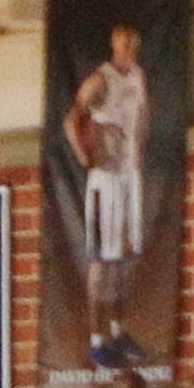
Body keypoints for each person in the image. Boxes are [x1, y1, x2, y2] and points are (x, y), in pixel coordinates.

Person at [67, 19, 154, 365]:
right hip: (106, 180)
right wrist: (87, 157)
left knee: (123, 261)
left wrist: (137, 153)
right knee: (102, 262)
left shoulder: (137, 77)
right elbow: (72, 119)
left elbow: (142, 120)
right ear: (114, 45)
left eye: (134, 45)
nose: (129, 50)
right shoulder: (100, 80)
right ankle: (97, 338)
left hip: (130, 176)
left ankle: (119, 331)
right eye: (123, 45)